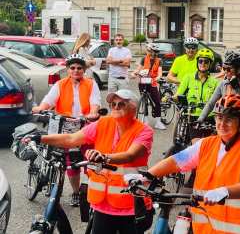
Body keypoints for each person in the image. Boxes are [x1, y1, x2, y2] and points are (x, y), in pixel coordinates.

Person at [129, 94, 240, 233]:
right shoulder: (206, 144)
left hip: (236, 229)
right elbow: (177, 161)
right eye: (219, 117)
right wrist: (148, 176)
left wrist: (225, 192)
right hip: (203, 228)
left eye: (229, 120)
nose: (222, 124)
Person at [26, 89, 153, 234]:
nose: (116, 107)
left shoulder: (144, 131)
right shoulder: (103, 123)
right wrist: (40, 138)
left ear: (133, 108)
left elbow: (130, 155)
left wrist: (103, 157)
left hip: (131, 205)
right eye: (113, 104)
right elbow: (71, 139)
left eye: (121, 104)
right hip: (102, 205)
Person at [32, 54, 101, 206]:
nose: (76, 71)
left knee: (91, 160)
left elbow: (95, 103)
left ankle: (97, 190)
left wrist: (93, 113)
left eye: (79, 68)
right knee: (71, 162)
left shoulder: (91, 84)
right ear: (68, 70)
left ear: (84, 70)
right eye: (73, 68)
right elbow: (49, 101)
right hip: (64, 126)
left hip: (85, 125)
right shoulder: (60, 84)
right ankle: (76, 192)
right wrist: (40, 108)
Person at [198, 51, 240, 122]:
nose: (225, 72)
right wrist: (200, 119)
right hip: (224, 122)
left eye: (229, 69)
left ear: (239, 69)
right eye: (224, 69)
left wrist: (237, 88)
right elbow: (210, 104)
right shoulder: (223, 83)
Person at [175, 48, 219, 139]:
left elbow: (219, 100)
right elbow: (178, 94)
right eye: (200, 61)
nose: (203, 63)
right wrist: (171, 98)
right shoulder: (188, 78)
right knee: (195, 144)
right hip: (193, 116)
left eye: (206, 62)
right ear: (197, 62)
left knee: (208, 144)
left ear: (210, 64)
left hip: (209, 117)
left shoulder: (215, 82)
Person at [131, 43, 165, 130]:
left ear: (155, 52)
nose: (150, 53)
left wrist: (158, 77)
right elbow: (139, 68)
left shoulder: (159, 60)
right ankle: (145, 121)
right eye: (149, 51)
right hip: (143, 81)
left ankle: (158, 122)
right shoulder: (144, 59)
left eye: (152, 51)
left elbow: (160, 72)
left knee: (157, 101)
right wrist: (134, 73)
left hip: (152, 82)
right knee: (144, 101)